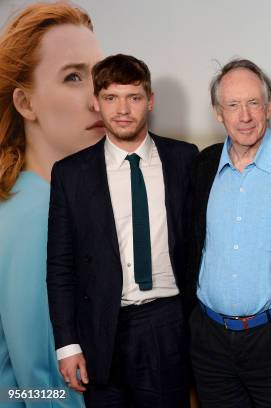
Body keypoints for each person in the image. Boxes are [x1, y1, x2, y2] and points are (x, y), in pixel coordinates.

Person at [46, 54, 197, 407]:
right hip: (101, 326)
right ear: (96, 103)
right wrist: (68, 345)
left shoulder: (185, 159)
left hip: (168, 323)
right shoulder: (71, 174)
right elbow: (60, 267)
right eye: (111, 98)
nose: (123, 109)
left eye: (134, 97)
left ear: (150, 100)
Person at [185, 59, 271, 407]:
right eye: (232, 105)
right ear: (218, 112)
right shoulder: (202, 165)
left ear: (268, 107)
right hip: (210, 343)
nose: (244, 116)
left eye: (253, 103)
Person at [0, 3, 104, 406]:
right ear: (26, 104)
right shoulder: (42, 218)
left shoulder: (26, 199)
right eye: (73, 77)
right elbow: (49, 387)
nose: (100, 99)